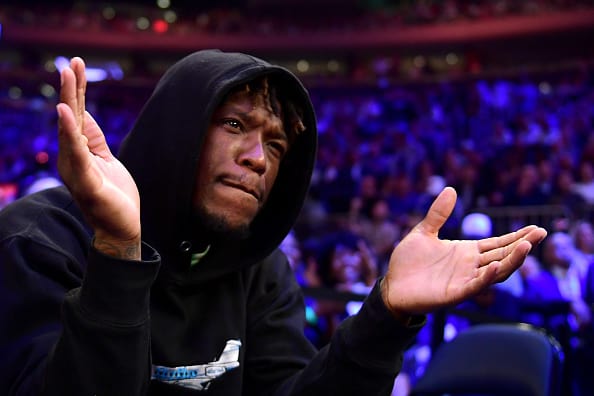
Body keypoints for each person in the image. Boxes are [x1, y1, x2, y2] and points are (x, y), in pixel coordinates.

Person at [0, 50, 547, 395]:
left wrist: (385, 316)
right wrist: (119, 249)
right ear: (175, 131)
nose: (259, 158)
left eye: (277, 143)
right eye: (235, 123)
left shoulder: (259, 267)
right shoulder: (36, 241)